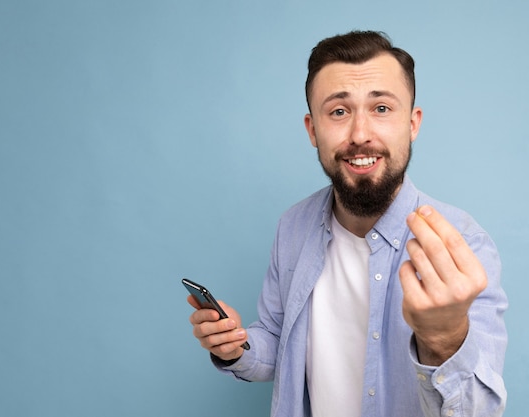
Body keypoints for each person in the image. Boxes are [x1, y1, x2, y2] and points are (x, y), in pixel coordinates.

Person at [187, 30, 508, 417]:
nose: (360, 135)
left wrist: (445, 338)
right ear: (312, 130)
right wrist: (237, 345)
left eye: (382, 109)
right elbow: (280, 345)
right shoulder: (292, 227)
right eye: (338, 111)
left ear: (413, 123)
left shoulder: (463, 244)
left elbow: (480, 412)